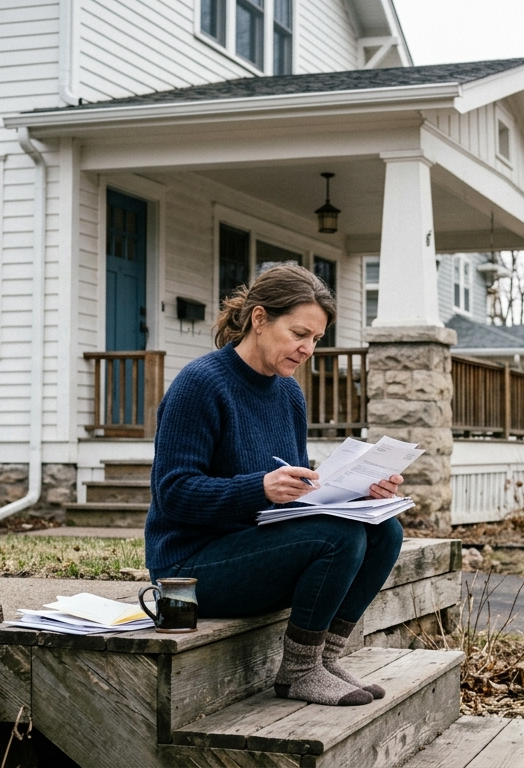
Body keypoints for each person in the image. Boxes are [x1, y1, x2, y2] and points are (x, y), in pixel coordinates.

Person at [144, 264, 404, 708]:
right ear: (260, 319)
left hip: (254, 545)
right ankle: (298, 672)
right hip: (190, 568)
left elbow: (296, 497)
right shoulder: (201, 384)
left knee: (384, 531)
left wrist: (357, 493)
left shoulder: (288, 393)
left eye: (317, 339)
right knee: (336, 536)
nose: (307, 349)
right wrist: (259, 488)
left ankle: (321, 659)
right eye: (299, 333)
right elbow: (174, 492)